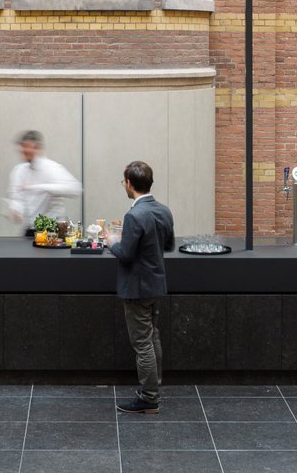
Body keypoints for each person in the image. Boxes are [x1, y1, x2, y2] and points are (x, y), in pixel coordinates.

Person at [108, 159, 174, 413]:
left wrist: (111, 241)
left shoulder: (134, 215)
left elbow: (125, 254)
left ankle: (149, 398)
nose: (124, 185)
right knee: (152, 337)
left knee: (142, 343)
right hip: (155, 284)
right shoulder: (163, 210)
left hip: (136, 288)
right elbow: (167, 246)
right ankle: (153, 388)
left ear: (130, 184)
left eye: (123, 181)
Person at [5, 129, 82, 232]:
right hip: (30, 231)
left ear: (37, 148)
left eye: (28, 147)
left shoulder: (52, 168)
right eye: (23, 146)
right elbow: (17, 199)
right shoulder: (18, 171)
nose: (24, 150)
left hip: (52, 231)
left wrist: (40, 188)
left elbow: (76, 189)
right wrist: (15, 210)